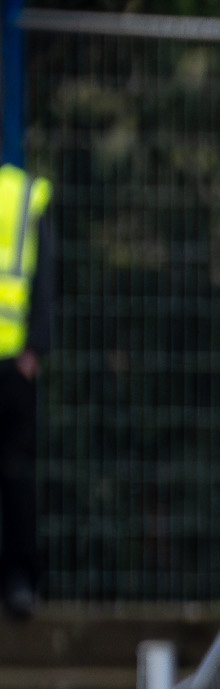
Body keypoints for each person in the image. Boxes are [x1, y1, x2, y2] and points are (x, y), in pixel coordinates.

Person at [0, 155, 50, 619]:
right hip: (18, 362)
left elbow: (44, 276)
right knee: (16, 474)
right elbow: (47, 278)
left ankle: (18, 580)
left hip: (13, 362)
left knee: (15, 474)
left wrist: (34, 346)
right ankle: (18, 581)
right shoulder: (25, 194)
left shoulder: (25, 196)